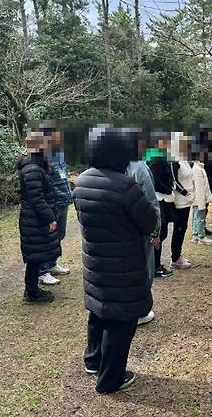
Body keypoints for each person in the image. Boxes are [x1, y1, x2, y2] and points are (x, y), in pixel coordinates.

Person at [73, 125, 158, 394]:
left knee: (98, 310)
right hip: (121, 264)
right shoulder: (124, 186)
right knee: (121, 321)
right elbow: (148, 221)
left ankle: (93, 360)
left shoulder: (82, 180)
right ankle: (110, 379)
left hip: (95, 262)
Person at [17, 132, 61, 303]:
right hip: (33, 219)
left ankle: (33, 289)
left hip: (35, 219)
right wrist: (50, 218)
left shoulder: (36, 165)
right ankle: (32, 293)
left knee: (36, 256)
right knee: (34, 258)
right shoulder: (32, 168)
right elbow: (37, 199)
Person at [125, 128, 161, 325]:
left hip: (122, 229)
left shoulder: (114, 165)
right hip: (141, 227)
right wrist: (155, 230)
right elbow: (151, 202)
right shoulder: (140, 168)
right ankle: (140, 310)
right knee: (145, 267)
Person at [37, 121, 71, 286]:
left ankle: (52, 264)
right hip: (52, 202)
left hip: (64, 199)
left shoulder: (60, 152)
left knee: (60, 235)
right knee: (47, 237)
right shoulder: (40, 155)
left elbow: (64, 173)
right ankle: (42, 271)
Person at [145, 131, 175, 278]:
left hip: (162, 198)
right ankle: (155, 266)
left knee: (160, 233)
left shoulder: (157, 155)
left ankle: (154, 264)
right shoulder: (156, 157)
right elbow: (154, 181)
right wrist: (168, 188)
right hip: (159, 199)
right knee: (159, 233)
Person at [170, 132, 194, 269]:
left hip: (187, 200)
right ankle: (175, 258)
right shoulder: (174, 160)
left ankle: (178, 255)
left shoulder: (184, 159)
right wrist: (184, 192)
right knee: (179, 228)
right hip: (180, 201)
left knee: (183, 227)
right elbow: (174, 180)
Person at [190, 146, 212, 245]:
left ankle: (196, 236)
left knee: (196, 216)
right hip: (199, 199)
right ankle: (201, 236)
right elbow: (199, 187)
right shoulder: (197, 169)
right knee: (200, 217)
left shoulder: (199, 167)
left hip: (198, 199)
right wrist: (201, 203)